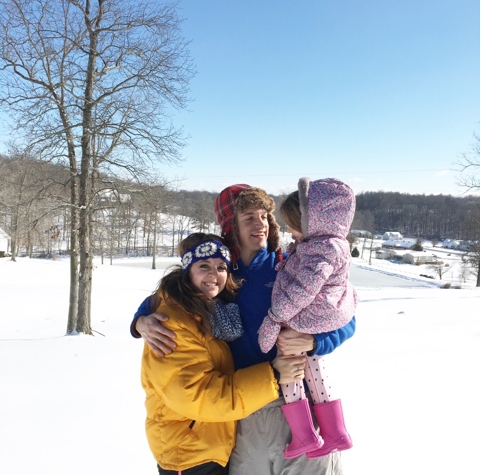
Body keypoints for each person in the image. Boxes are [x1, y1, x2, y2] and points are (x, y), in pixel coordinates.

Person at [132, 185, 356, 475]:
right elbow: (173, 295)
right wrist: (141, 318)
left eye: (264, 216)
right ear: (231, 226)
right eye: (248, 217)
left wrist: (315, 340)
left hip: (299, 401)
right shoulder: (219, 275)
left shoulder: (293, 266)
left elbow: (345, 315)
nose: (259, 224)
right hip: (243, 409)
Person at [140, 232, 305, 475]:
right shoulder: (172, 323)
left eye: (221, 267)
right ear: (187, 270)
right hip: (189, 455)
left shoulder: (210, 310)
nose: (213, 275)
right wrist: (273, 375)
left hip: (209, 444)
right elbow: (199, 395)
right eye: (204, 266)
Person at [258, 177, 357, 459]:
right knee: (314, 368)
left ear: (312, 222)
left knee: (291, 367)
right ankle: (334, 432)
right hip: (315, 315)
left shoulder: (320, 250)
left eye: (293, 225)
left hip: (304, 316)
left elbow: (305, 287)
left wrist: (276, 316)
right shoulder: (325, 245)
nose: (290, 231)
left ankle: (304, 436)